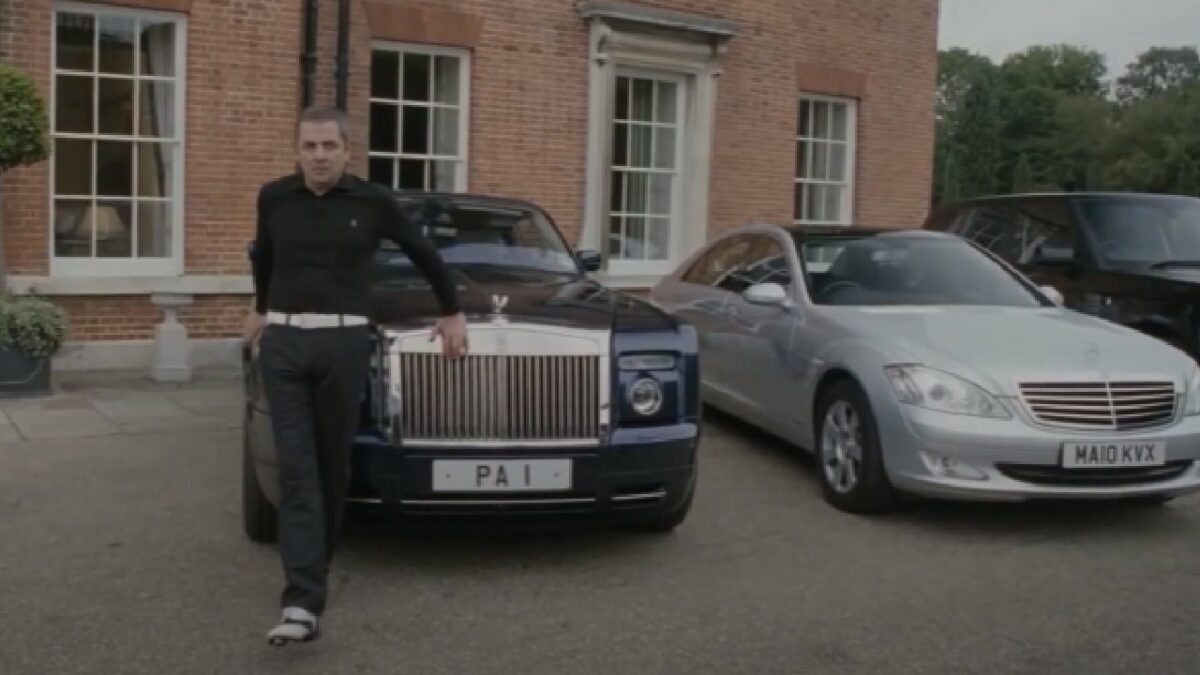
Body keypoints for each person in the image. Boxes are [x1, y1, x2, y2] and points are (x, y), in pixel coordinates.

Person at [243, 105, 468, 646]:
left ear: (347, 151)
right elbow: (265, 258)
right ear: (297, 151)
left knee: (331, 467)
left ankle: (317, 561)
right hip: (285, 343)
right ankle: (302, 602)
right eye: (309, 147)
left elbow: (425, 254)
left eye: (329, 146)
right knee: (296, 469)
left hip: (344, 343)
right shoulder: (274, 197)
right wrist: (260, 307)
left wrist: (451, 311)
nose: (319, 156)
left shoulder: (372, 202)